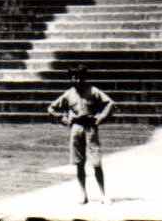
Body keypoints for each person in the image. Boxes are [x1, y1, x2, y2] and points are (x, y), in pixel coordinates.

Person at [48, 65, 113, 205]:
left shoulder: (93, 91)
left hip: (90, 127)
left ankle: (103, 194)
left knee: (96, 162)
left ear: (84, 77)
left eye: (79, 77)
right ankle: (83, 194)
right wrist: (66, 120)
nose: (76, 80)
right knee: (79, 163)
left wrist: (100, 118)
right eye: (73, 77)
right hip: (76, 128)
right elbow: (52, 108)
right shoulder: (69, 94)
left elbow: (110, 103)